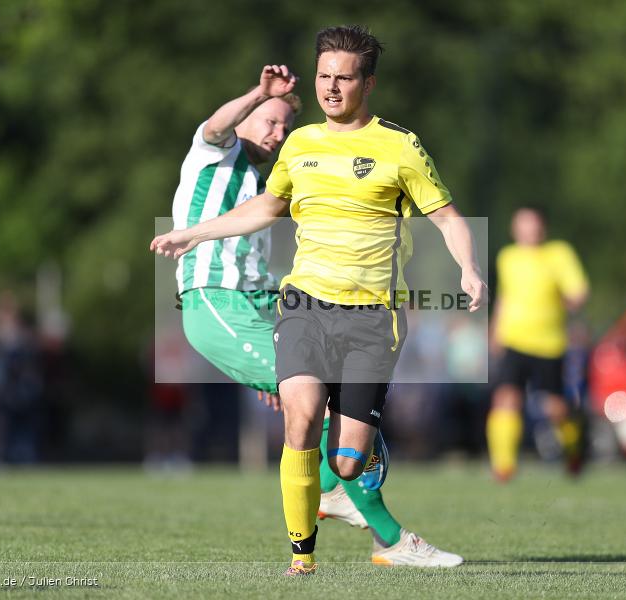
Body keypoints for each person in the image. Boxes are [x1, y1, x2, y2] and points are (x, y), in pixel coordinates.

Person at [152, 26, 485, 575]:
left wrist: (468, 269)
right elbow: (219, 132)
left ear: (367, 83)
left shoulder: (370, 150)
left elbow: (442, 218)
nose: (279, 131)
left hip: (314, 311)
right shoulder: (216, 153)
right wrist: (191, 234)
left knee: (339, 443)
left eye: (285, 123)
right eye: (270, 120)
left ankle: (343, 485)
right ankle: (355, 544)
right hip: (227, 303)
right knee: (306, 414)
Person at [488, 206, 589, 481]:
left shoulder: (559, 253)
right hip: (514, 339)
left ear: (542, 227)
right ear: (515, 229)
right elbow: (504, 297)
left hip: (549, 343)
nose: (528, 230)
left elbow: (578, 292)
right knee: (505, 399)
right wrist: (495, 332)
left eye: (532, 224)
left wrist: (571, 300)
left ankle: (574, 450)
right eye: (522, 224)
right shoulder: (507, 257)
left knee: (555, 408)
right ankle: (504, 466)